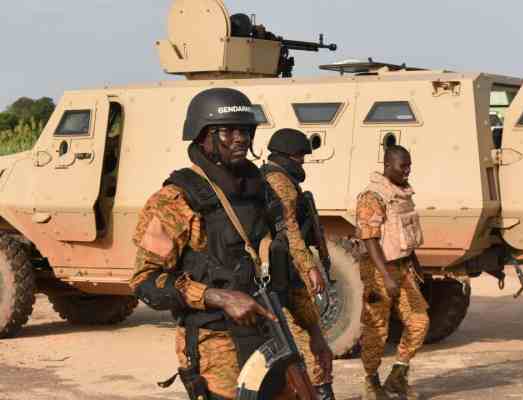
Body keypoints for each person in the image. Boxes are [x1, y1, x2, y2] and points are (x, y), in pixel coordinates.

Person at [129, 87, 328, 399]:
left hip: (272, 335)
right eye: (228, 131)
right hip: (216, 346)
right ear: (203, 136)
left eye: (246, 130)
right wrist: (218, 296)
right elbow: (146, 282)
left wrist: (315, 333)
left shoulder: (262, 191)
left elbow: (284, 267)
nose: (241, 139)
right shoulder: (175, 200)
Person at [261, 127, 335, 400]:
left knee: (316, 340)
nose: (303, 161)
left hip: (289, 273)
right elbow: (290, 230)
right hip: (282, 275)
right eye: (300, 155)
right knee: (302, 348)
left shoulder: (283, 180)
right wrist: (310, 268)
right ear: (288, 155)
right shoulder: (279, 182)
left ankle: (322, 390)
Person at [355, 145, 429, 400]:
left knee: (419, 321)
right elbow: (370, 239)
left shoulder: (402, 194)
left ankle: (397, 376)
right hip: (378, 269)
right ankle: (371, 382)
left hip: (402, 266)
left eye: (409, 165)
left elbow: (405, 234)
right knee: (377, 328)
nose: (407, 170)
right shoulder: (373, 196)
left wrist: (415, 264)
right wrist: (385, 276)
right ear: (388, 166)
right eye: (402, 166)